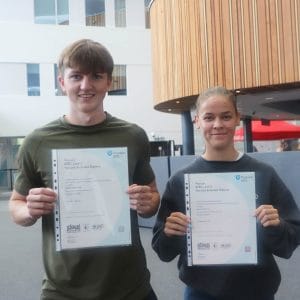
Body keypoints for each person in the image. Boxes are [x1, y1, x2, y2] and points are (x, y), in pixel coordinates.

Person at [9, 39, 160, 300]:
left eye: (96, 77)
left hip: (131, 289)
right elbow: (17, 205)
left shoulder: (133, 136)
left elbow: (152, 196)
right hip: (63, 291)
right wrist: (30, 210)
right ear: (62, 82)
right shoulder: (37, 141)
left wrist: (148, 203)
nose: (86, 86)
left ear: (109, 83)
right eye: (76, 76)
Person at [152, 86, 300, 300]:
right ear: (197, 121)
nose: (218, 125)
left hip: (257, 291)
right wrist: (170, 233)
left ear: (238, 118)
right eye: (209, 117)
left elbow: (290, 240)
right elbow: (162, 250)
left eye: (226, 116)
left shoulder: (263, 174)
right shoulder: (180, 180)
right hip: (200, 292)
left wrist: (277, 226)